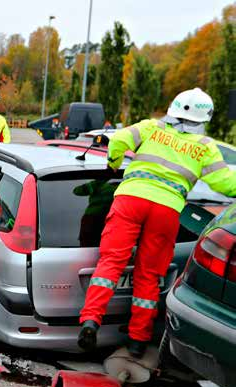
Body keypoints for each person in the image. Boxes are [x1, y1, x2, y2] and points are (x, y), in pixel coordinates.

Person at [77, 88, 236, 358]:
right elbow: (225, 183)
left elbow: (119, 140)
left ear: (173, 109)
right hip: (167, 209)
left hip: (130, 199)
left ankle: (91, 320)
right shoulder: (204, 146)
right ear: (204, 117)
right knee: (149, 273)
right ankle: (138, 339)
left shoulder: (151, 127)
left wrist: (113, 164)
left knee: (111, 262)